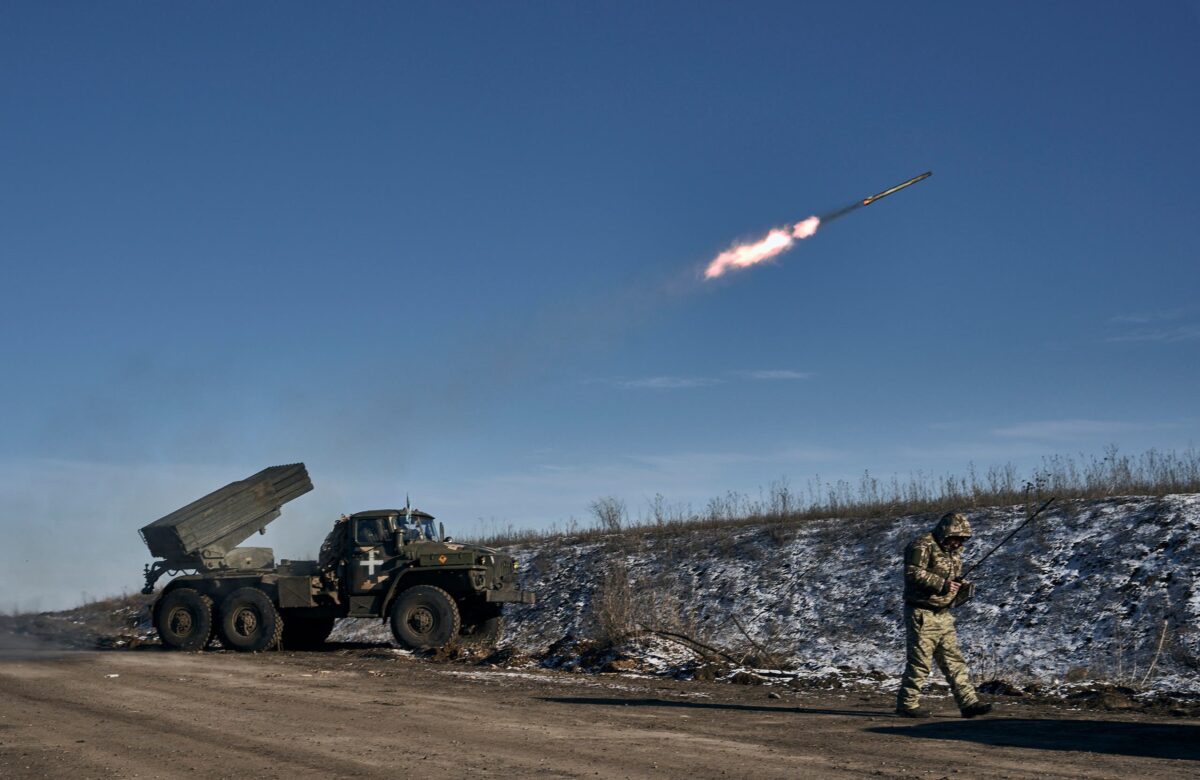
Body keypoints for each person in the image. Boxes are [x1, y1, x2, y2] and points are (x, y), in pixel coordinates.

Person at [896, 511, 993, 719]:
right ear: (946, 533)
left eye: (962, 540)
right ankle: (907, 704)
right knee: (920, 662)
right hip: (922, 613)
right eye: (957, 538)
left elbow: (950, 576)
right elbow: (913, 573)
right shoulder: (921, 545)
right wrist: (943, 584)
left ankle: (968, 703)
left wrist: (959, 585)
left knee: (954, 661)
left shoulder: (953, 552)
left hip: (944, 614)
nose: (959, 543)